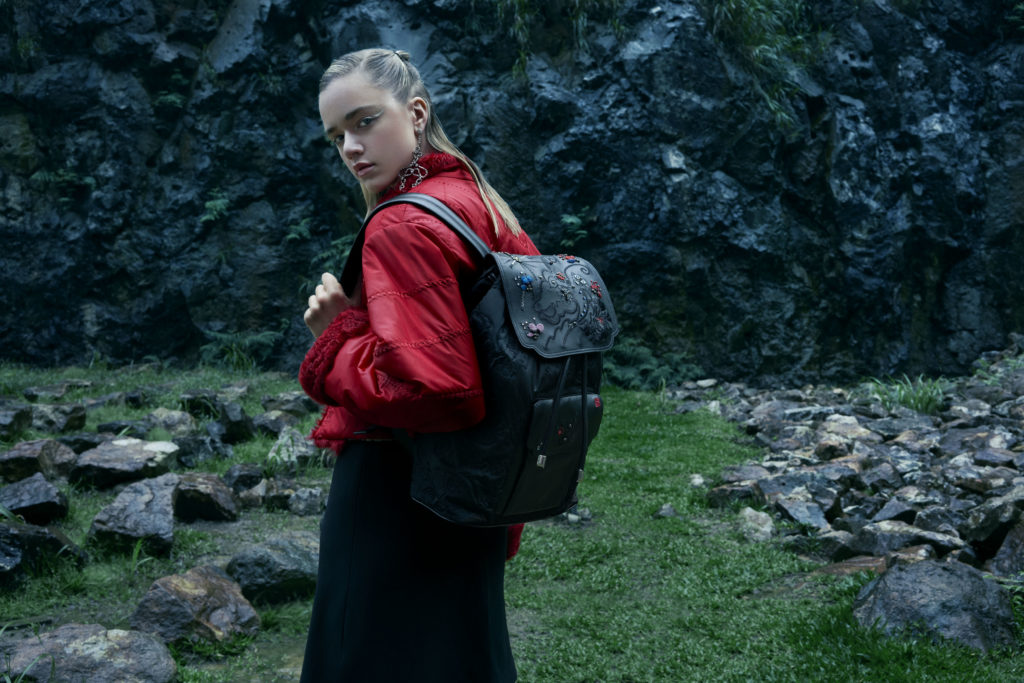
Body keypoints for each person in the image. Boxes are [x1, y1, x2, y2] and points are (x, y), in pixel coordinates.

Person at [297, 48, 537, 682]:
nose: (351, 147)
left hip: (395, 492)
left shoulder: (401, 223)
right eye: (336, 136)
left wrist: (337, 338)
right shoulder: (477, 200)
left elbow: (440, 392)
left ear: (417, 112)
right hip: (474, 485)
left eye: (365, 120)